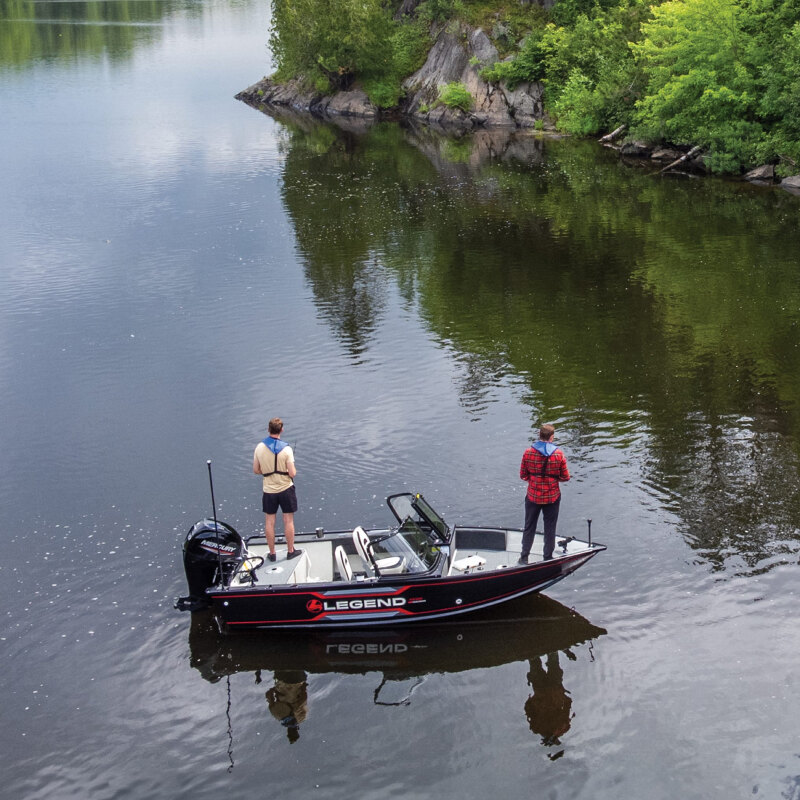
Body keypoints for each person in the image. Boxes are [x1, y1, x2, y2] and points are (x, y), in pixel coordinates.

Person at [519, 424, 570, 563]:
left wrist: (534, 480)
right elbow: (566, 477)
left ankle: (524, 556)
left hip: (532, 497)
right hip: (552, 498)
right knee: (550, 527)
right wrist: (552, 480)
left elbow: (523, 475)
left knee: (529, 526)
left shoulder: (528, 452)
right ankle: (547, 557)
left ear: (539, 435)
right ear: (552, 437)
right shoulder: (558, 454)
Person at [253, 417, 299, 561]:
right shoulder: (286, 449)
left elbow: (256, 470)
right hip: (286, 488)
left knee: (269, 522)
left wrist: (267, 472)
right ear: (282, 430)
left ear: (268, 429)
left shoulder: (259, 447)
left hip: (269, 490)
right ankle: (290, 551)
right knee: (288, 520)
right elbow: (292, 473)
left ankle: (272, 553)